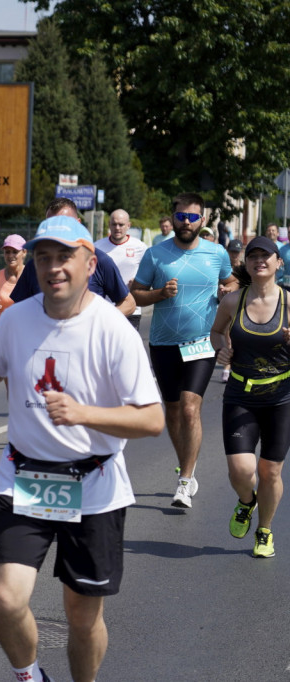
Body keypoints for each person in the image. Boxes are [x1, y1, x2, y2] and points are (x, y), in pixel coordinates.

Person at [0, 215, 164, 682]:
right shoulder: (18, 317)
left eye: (64, 257)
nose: (53, 268)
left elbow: (151, 418)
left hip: (95, 485)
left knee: (81, 618)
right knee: (6, 598)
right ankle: (30, 677)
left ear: (90, 262)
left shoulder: (113, 329)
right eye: (43, 258)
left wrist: (85, 413)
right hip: (25, 477)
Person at [131, 192, 238, 508]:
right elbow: (135, 295)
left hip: (201, 344)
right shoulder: (156, 254)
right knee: (174, 411)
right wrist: (159, 293)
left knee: (191, 407)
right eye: (181, 216)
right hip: (163, 343)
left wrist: (226, 290)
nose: (187, 221)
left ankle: (184, 479)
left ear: (202, 220)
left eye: (193, 217)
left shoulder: (216, 253)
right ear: (173, 217)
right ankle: (186, 466)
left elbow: (232, 283)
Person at [210, 237, 290, 558]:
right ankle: (246, 501)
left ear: (278, 263)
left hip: (281, 398)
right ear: (246, 263)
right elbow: (216, 331)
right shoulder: (233, 301)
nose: (260, 261)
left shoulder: (288, 303)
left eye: (266, 256)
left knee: (271, 472)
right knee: (241, 471)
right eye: (253, 256)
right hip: (240, 395)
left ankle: (265, 530)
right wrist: (222, 347)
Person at [11, 198, 136, 317]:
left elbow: (128, 303)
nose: (54, 268)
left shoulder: (100, 260)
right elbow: (18, 309)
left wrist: (99, 321)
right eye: (51, 223)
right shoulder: (34, 265)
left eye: (64, 223)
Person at [95, 208, 147, 329]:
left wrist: (139, 283)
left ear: (129, 225)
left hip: (131, 310)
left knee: (128, 347)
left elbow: (149, 275)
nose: (117, 228)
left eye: (121, 224)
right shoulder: (97, 247)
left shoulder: (140, 247)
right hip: (105, 309)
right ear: (109, 225)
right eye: (114, 224)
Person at [220, 239, 245, 382]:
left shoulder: (245, 269)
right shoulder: (224, 269)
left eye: (237, 252)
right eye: (232, 252)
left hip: (242, 307)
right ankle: (226, 368)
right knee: (228, 338)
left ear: (241, 252)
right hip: (225, 307)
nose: (235, 255)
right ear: (228, 252)